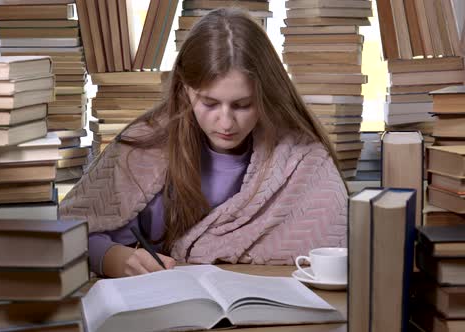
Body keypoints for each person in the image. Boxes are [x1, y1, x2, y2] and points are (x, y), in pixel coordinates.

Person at [59, 8, 348, 278]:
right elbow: (72, 230)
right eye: (209, 103)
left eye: (243, 105)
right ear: (185, 91)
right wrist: (111, 257)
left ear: (265, 96)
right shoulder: (143, 146)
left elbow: (338, 249)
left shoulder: (302, 156)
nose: (225, 123)